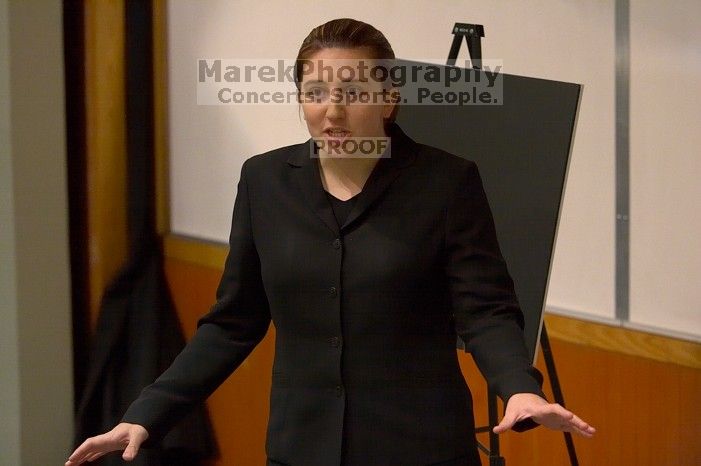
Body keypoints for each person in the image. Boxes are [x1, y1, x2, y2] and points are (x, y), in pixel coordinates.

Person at [66, 18, 595, 466]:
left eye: (353, 92)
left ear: (389, 99)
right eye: (316, 93)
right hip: (303, 447)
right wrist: (146, 414)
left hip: (420, 447)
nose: (332, 110)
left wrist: (518, 385)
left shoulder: (446, 182)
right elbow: (233, 322)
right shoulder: (264, 181)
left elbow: (486, 311)